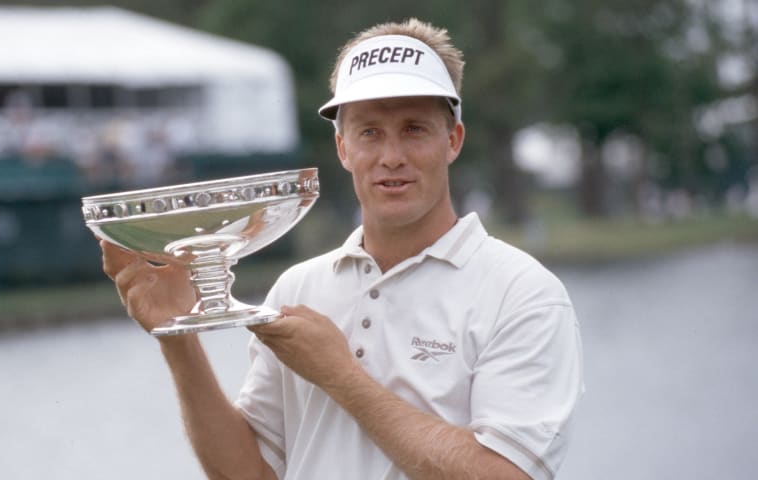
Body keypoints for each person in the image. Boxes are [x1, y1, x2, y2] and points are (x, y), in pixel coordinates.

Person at [101, 18, 583, 480]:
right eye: (369, 132)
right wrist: (179, 341)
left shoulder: (523, 293)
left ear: (452, 140)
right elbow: (248, 474)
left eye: (414, 129)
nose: (391, 156)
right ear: (342, 148)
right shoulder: (298, 287)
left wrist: (341, 376)